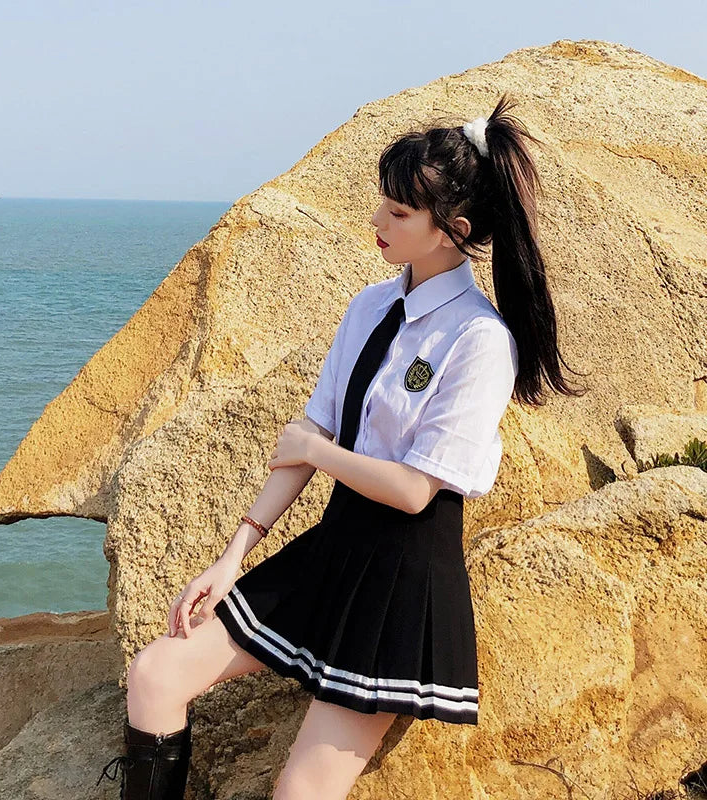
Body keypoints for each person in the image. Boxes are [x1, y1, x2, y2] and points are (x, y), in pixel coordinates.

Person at [97, 92, 588, 800]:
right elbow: (312, 432)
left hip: (402, 581)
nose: (378, 220)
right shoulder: (369, 307)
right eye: (382, 202)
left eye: (399, 212)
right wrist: (233, 556)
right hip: (332, 550)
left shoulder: (479, 340)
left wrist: (318, 452)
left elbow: (413, 489)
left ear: (453, 231)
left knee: (298, 793)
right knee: (155, 675)